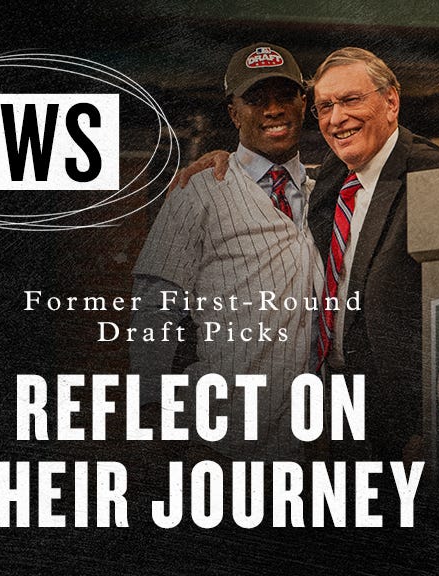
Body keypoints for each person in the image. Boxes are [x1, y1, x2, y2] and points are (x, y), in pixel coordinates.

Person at [175, 47, 439, 461]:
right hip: (335, 412)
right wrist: (225, 161)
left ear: (391, 101)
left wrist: (433, 428)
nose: (337, 118)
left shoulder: (434, 176)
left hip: (405, 430)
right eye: (326, 106)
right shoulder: (332, 175)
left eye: (351, 100)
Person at [131, 44, 323, 460]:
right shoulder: (197, 190)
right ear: (234, 113)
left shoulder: (324, 195)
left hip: (308, 445)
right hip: (217, 440)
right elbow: (153, 308)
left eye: (284, 96)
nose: (273, 109)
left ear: (303, 104)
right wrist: (148, 417)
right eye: (256, 99)